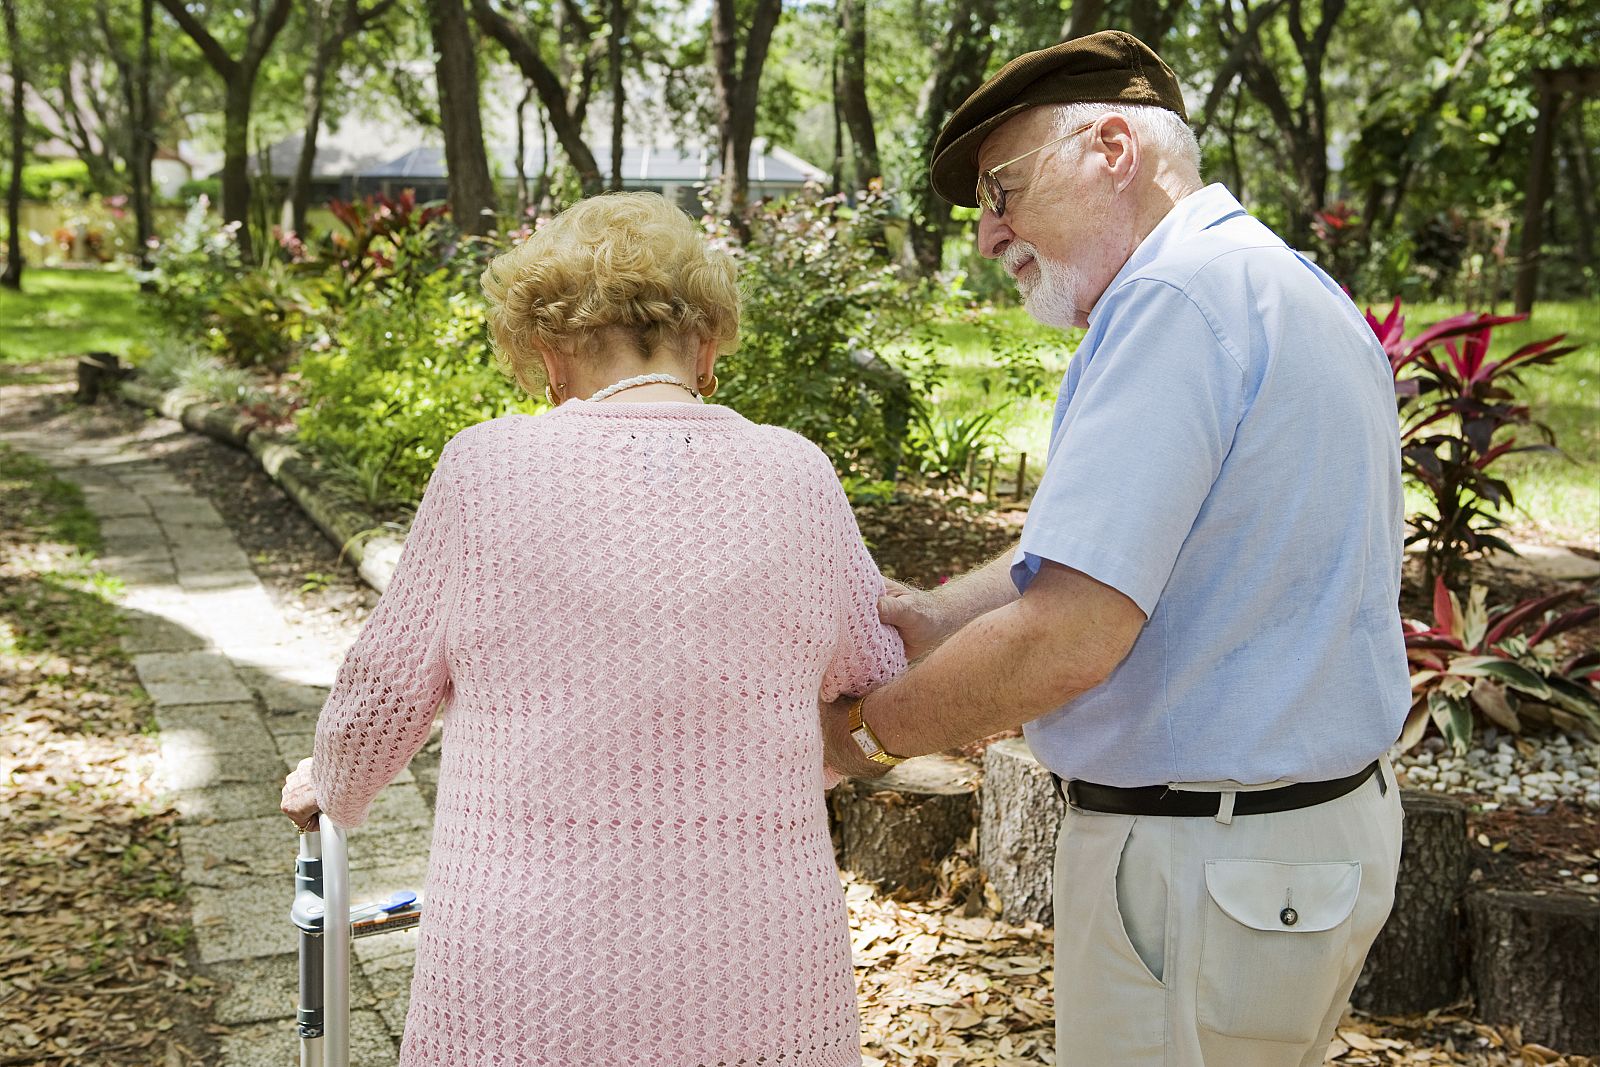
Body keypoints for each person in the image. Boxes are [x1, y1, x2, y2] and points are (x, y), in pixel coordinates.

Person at [822, 30, 1407, 1067]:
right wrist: (932, 620)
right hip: (1290, 850)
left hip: (1203, 861)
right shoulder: (1278, 281)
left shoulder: (1170, 303)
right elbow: (1130, 549)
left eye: (1001, 189)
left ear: (1109, 146)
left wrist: (861, 738)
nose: (986, 234)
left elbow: (1071, 635)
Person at [281, 191, 905, 1066]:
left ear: (547, 355)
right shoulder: (798, 475)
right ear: (710, 344)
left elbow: (382, 693)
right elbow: (876, 676)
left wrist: (331, 784)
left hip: (528, 978)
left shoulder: (484, 470)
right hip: (758, 972)